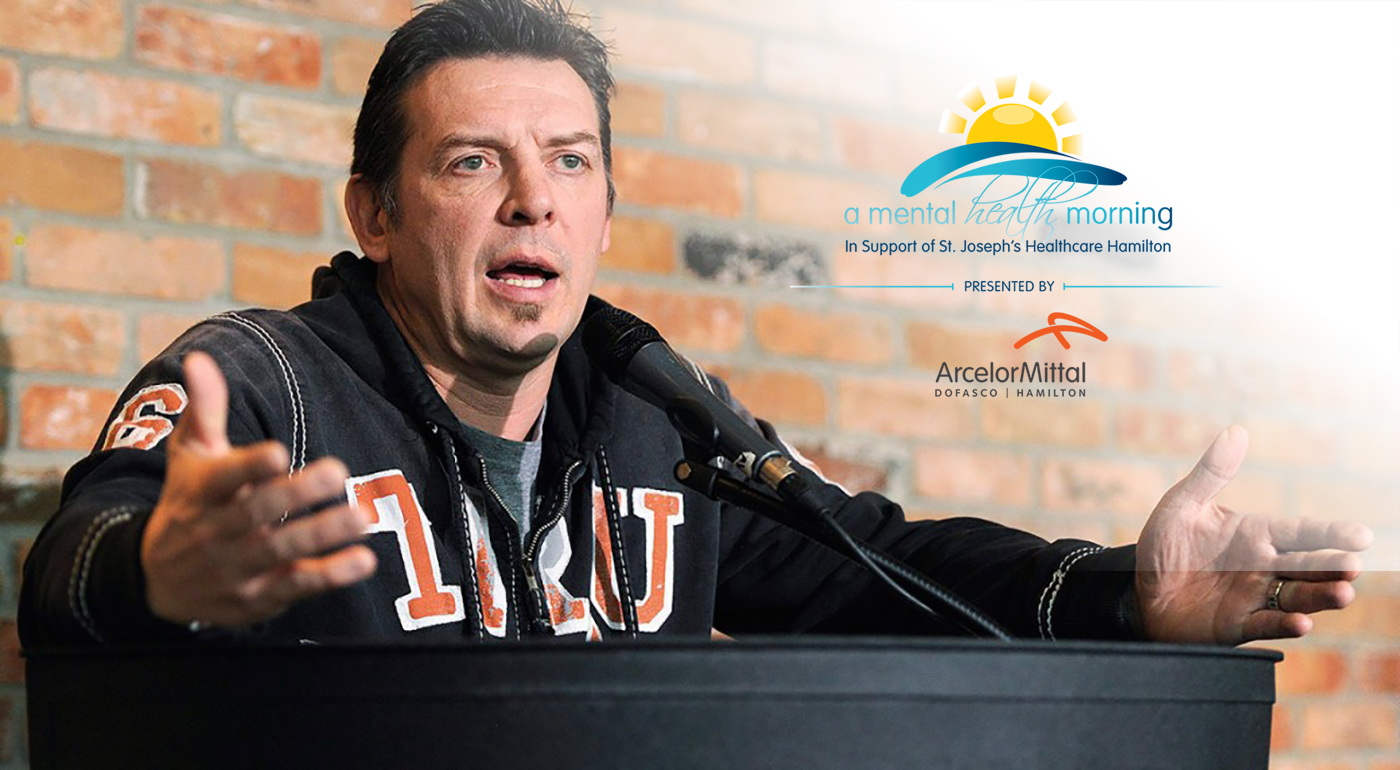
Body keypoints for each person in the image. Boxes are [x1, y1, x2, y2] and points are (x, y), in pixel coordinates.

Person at [18, 0, 1369, 648]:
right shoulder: (260, 384)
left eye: (571, 162)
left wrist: (1128, 594)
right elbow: (68, 567)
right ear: (374, 211)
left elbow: (872, 563)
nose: (535, 200)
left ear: (605, 210)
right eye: (474, 162)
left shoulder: (650, 414)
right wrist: (155, 573)